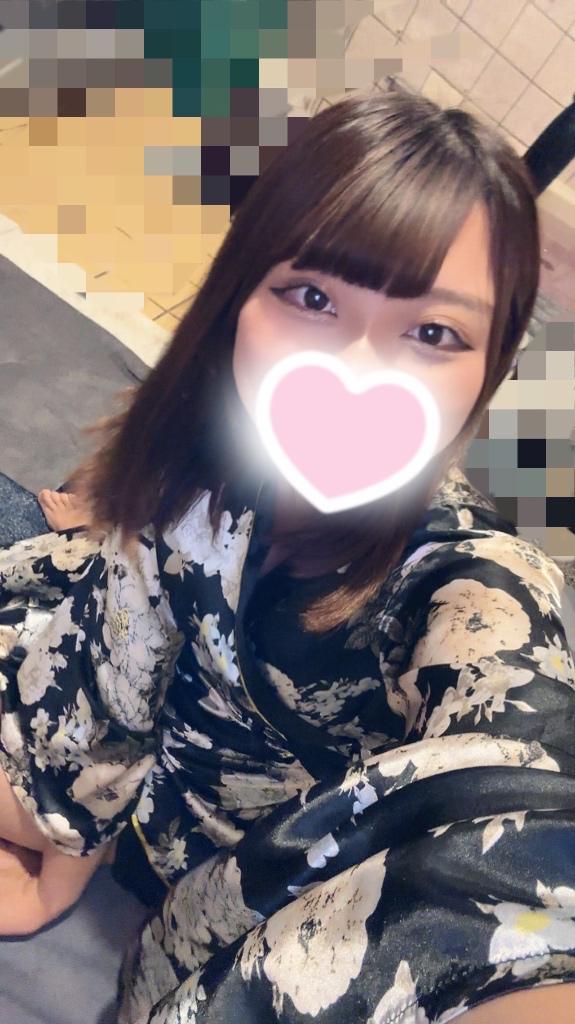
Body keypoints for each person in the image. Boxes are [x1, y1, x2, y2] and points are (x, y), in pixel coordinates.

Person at [1, 87, 575, 1022]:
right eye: (311, 297)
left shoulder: (469, 588)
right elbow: (114, 653)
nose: (354, 372)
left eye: (434, 333)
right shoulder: (209, 445)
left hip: (221, 871)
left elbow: (521, 830)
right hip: (89, 702)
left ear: (491, 367)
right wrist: (66, 856)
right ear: (238, 297)